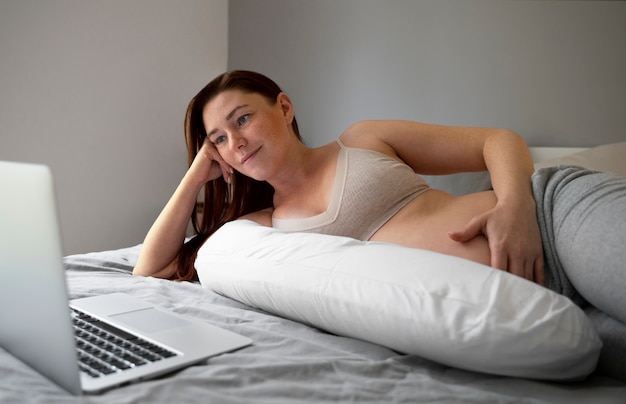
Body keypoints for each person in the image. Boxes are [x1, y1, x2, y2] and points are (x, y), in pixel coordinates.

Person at [133, 70, 625, 380]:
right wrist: (198, 170)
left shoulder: (361, 139)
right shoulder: (262, 226)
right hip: (535, 310)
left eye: (242, 120)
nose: (234, 142)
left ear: (283, 108)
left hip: (553, 218)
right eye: (217, 138)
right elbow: (150, 268)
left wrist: (515, 208)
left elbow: (496, 140)